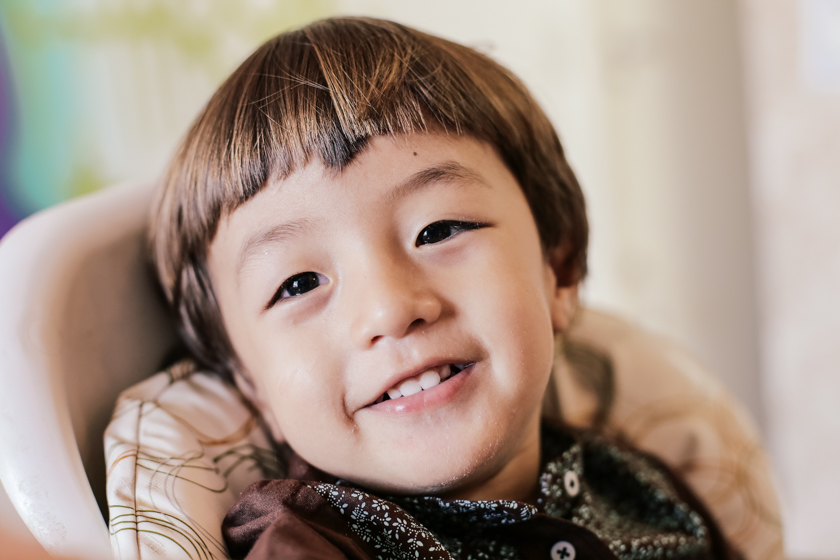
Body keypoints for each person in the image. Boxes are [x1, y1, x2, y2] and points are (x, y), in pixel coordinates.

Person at [149, 16, 742, 559]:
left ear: (557, 272)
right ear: (253, 387)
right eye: (299, 283)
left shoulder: (645, 490)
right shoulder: (305, 544)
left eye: (440, 230)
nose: (389, 308)